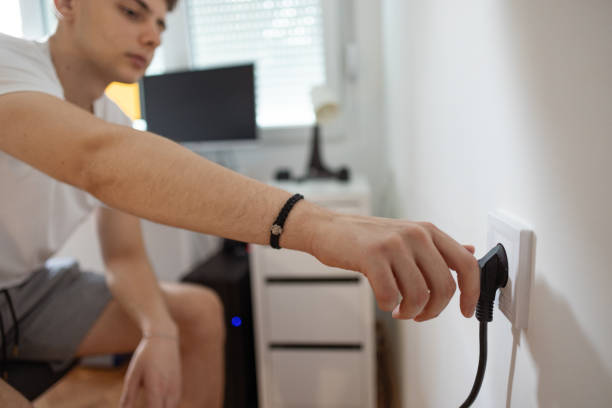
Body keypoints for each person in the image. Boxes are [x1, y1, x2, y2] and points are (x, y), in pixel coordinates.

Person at [0, 0, 480, 406]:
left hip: (28, 291)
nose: (152, 35)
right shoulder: (10, 63)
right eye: (132, 12)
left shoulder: (114, 121)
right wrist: (319, 226)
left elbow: (123, 256)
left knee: (201, 312)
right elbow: (96, 159)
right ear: (63, 3)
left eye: (162, 23)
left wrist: (158, 331)